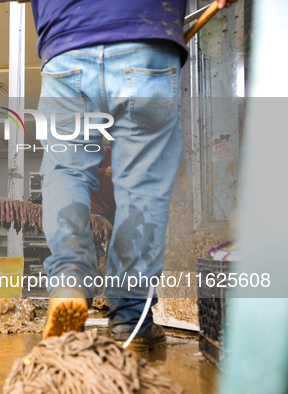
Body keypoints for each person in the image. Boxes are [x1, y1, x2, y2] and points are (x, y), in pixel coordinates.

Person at [30, 0, 238, 350]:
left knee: (66, 170)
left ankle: (69, 278)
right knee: (142, 186)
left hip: (65, 45)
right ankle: (130, 316)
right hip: (145, 40)